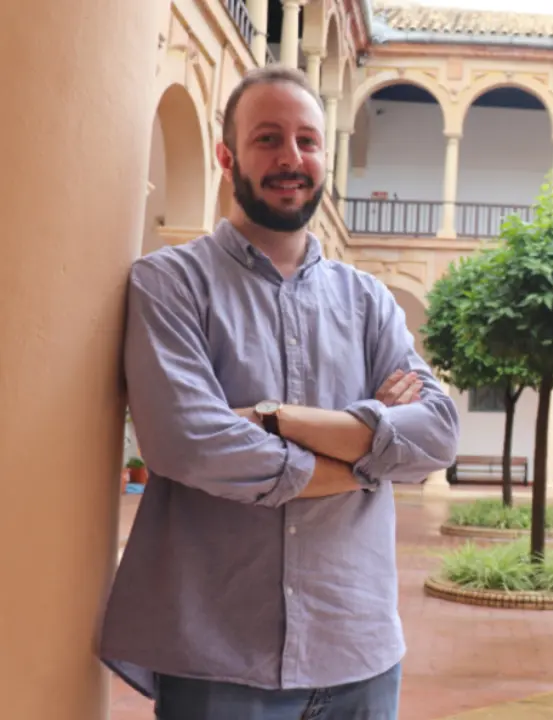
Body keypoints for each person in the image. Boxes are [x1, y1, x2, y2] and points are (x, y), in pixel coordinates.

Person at [98, 66, 460, 719]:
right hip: (217, 658)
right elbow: (188, 442)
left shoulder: (370, 301)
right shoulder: (170, 284)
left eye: (308, 141)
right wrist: (369, 458)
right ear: (227, 155)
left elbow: (436, 433)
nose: (291, 158)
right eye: (268, 139)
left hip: (361, 655)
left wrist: (274, 419)